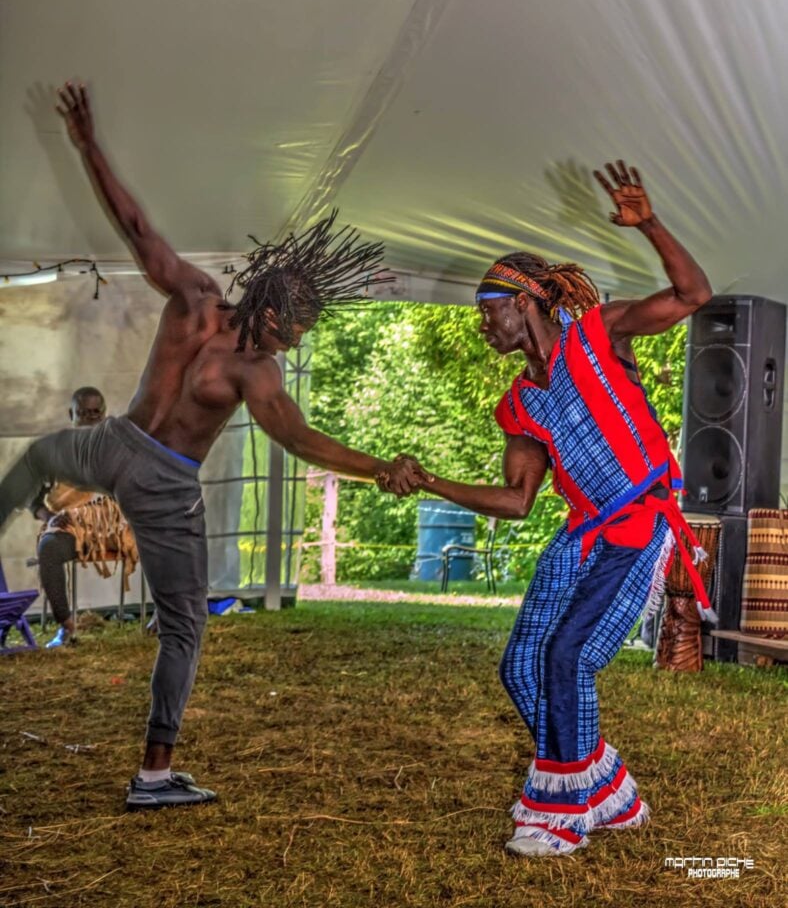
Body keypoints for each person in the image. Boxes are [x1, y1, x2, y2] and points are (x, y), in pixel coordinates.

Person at [0, 81, 418, 811]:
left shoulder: (193, 297)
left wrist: (87, 143)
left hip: (115, 444)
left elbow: (135, 225)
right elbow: (299, 439)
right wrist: (380, 467)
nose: (297, 339)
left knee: (40, 454)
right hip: (159, 478)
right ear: (275, 313)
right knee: (185, 628)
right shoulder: (254, 369)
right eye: (297, 328)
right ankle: (154, 776)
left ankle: (159, 772)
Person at [378, 162, 713, 856]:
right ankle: (607, 790)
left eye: (487, 310)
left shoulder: (600, 335)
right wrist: (433, 481)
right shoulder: (520, 404)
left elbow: (693, 294)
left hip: (640, 523)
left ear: (525, 299)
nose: (481, 326)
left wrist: (647, 222)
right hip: (582, 534)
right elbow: (516, 500)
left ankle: (563, 814)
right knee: (522, 665)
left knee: (569, 655)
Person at [31, 386, 137, 648]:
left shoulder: (120, 447)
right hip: (71, 528)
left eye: (95, 413)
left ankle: (165, 618)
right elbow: (31, 499)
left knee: (164, 540)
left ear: (104, 413)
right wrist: (51, 516)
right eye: (83, 413)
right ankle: (66, 627)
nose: (90, 418)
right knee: (49, 549)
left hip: (116, 529)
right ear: (71, 414)